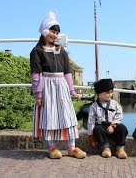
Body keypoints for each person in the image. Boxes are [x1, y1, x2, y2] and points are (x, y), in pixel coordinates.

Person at [30, 10, 86, 159]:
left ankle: (72, 147)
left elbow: (68, 72)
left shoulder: (62, 51)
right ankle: (52, 147)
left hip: (61, 86)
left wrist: (72, 91)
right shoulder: (36, 51)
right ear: (44, 31)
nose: (54, 35)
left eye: (56, 32)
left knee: (68, 116)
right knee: (50, 116)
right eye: (52, 31)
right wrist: (39, 94)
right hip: (47, 87)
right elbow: (36, 74)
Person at [87, 78, 129, 159]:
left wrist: (113, 125)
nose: (110, 94)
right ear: (99, 94)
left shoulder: (115, 104)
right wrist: (91, 138)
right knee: (97, 129)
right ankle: (106, 148)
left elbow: (119, 115)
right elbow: (91, 122)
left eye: (111, 92)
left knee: (122, 128)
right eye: (107, 93)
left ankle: (120, 149)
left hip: (113, 127)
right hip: (102, 129)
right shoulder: (94, 106)